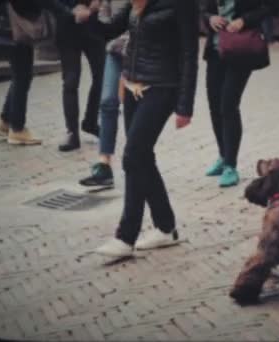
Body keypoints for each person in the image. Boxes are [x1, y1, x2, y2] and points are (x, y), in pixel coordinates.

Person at [83, 0, 199, 257]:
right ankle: (166, 227)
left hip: (163, 86)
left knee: (133, 156)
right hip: (134, 85)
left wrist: (185, 106)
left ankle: (126, 237)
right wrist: (89, 15)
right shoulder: (135, 3)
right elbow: (109, 30)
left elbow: (190, 53)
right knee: (142, 157)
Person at [201, 0, 277, 188]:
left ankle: (230, 166)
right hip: (216, 49)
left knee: (228, 104)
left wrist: (244, 20)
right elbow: (200, 7)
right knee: (214, 104)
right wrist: (210, 18)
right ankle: (223, 154)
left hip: (241, 48)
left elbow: (272, 6)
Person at [0, 0, 84, 145]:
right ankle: (17, 129)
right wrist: (69, 12)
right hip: (15, 31)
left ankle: (5, 121)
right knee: (22, 77)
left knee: (20, 76)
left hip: (2, 28)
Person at [79, 32, 130, 189]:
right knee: (108, 101)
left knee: (134, 105)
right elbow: (105, 18)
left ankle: (135, 162)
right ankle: (104, 167)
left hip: (143, 49)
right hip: (115, 47)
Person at [55, 0, 107, 152]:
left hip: (92, 26)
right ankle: (72, 132)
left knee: (102, 77)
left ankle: (90, 122)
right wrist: (71, 10)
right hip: (67, 28)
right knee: (71, 82)